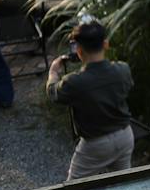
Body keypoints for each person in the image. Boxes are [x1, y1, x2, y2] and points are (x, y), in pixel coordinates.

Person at [45, 18, 136, 179]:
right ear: (106, 44)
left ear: (78, 50)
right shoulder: (123, 69)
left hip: (95, 143)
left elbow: (53, 94)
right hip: (124, 135)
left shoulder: (74, 82)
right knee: (124, 186)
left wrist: (53, 73)